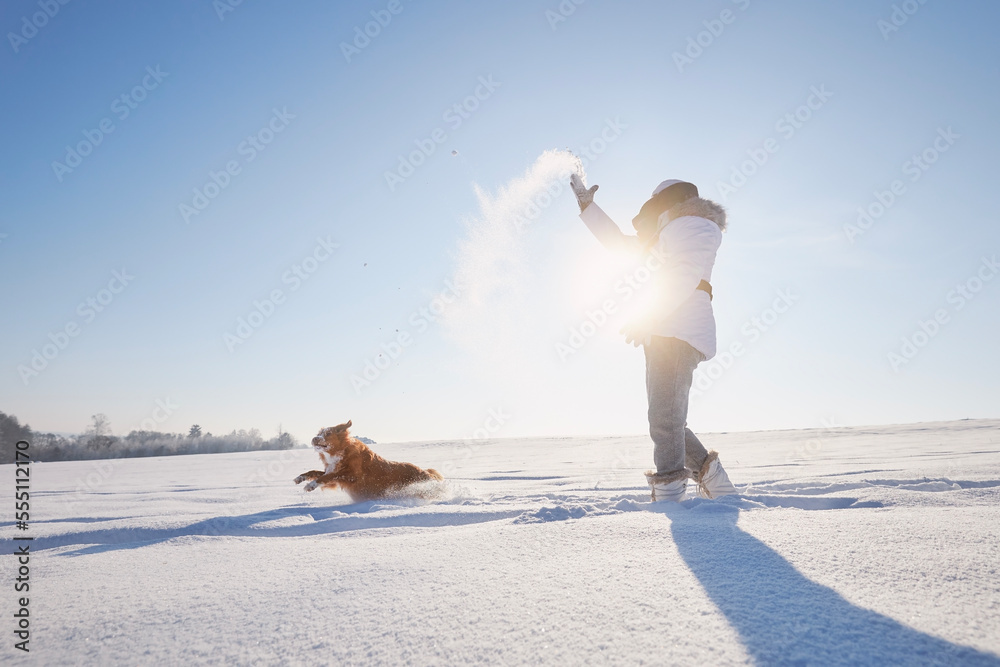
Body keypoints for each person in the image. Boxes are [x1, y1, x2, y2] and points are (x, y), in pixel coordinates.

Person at [570, 173, 738, 502]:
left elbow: (683, 275)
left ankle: (671, 498)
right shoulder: (668, 234)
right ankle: (720, 489)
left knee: (664, 419)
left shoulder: (694, 225)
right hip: (666, 331)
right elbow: (620, 244)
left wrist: (647, 315)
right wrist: (589, 208)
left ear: (668, 202)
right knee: (665, 419)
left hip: (678, 330)